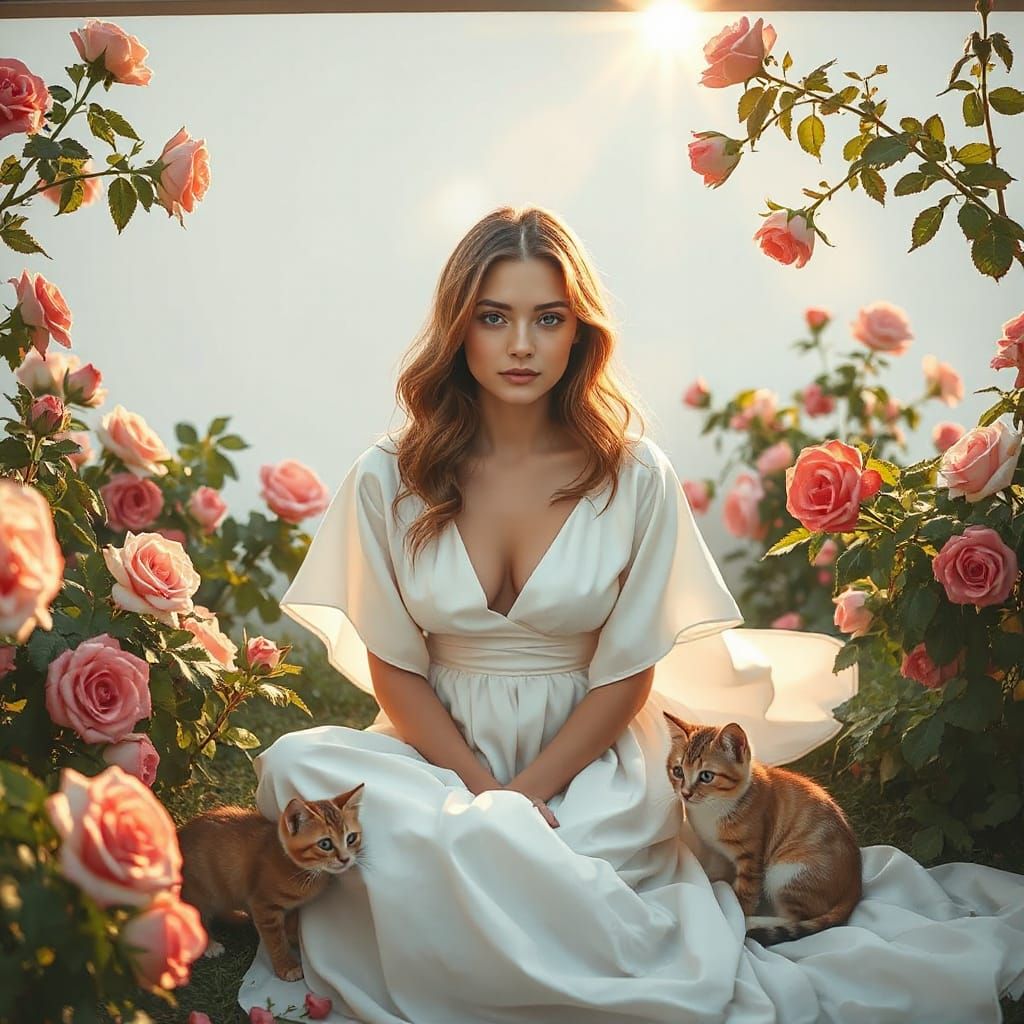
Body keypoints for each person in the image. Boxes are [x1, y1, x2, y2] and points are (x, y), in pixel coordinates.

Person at [239, 206, 1024, 1023]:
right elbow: (395, 666)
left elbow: (627, 669)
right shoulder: (389, 475)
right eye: (494, 317)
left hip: (594, 754)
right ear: (458, 328)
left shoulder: (631, 473)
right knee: (297, 762)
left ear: (579, 333)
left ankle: (484, 907)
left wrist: (533, 794)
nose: (520, 345)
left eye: (548, 319)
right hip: (438, 747)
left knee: (563, 889)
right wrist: (484, 795)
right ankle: (468, 875)